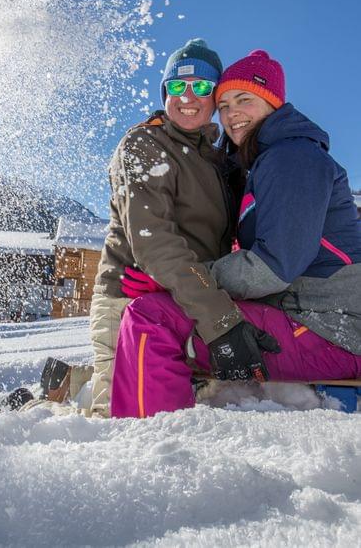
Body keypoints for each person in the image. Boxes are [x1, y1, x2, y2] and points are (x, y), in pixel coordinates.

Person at [113, 49, 361, 418]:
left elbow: (273, 266)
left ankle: (152, 445)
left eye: (245, 100)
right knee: (182, 314)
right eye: (225, 104)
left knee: (153, 315)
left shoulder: (293, 158)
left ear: (274, 103)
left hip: (332, 331)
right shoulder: (262, 163)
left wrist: (186, 281)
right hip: (313, 322)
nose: (232, 115)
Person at [22, 39, 244, 417]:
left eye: (201, 86)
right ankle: (31, 412)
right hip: (130, 303)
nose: (187, 96)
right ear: (165, 92)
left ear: (215, 97)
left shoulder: (218, 161)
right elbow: (153, 242)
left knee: (190, 401)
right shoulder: (145, 145)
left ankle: (69, 383)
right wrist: (219, 317)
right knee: (117, 421)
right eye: (177, 86)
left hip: (185, 300)